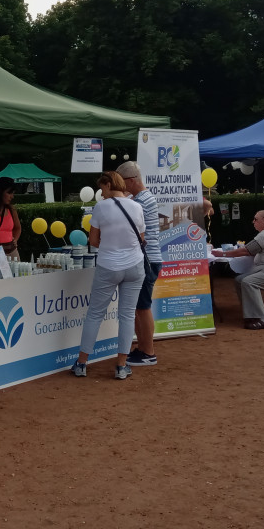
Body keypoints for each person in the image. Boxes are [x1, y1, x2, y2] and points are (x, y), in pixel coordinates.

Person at [71, 171, 145, 379]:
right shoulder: (137, 206)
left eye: (101, 188)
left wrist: (111, 247)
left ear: (109, 184)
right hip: (135, 265)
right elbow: (141, 237)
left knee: (95, 313)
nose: (101, 193)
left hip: (109, 265)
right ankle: (122, 366)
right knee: (127, 315)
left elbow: (93, 241)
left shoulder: (101, 207)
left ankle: (82, 363)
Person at [212, 211, 264, 330]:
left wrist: (223, 253)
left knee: (248, 282)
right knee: (239, 279)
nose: (253, 222)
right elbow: (251, 249)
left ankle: (262, 320)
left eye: (255, 219)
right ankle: (258, 314)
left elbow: (247, 251)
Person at [116, 161, 162, 366]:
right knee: (138, 306)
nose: (120, 187)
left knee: (143, 307)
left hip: (146, 259)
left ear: (132, 180)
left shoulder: (140, 202)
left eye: (121, 182)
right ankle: (142, 348)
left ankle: (148, 351)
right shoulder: (141, 198)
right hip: (147, 258)